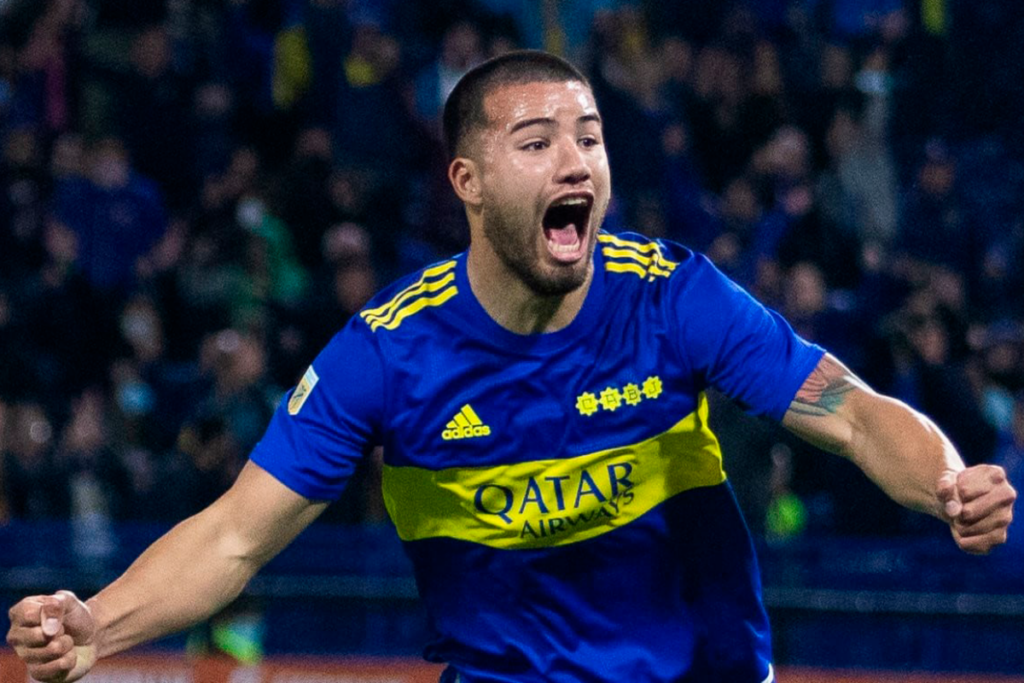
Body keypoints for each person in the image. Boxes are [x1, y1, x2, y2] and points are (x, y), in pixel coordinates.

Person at [5, 50, 1017, 683]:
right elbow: (233, 536)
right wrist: (94, 625)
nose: (575, 162)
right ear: (469, 183)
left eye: (588, 138)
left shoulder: (673, 294)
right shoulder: (388, 353)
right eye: (536, 142)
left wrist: (941, 481)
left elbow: (846, 408)